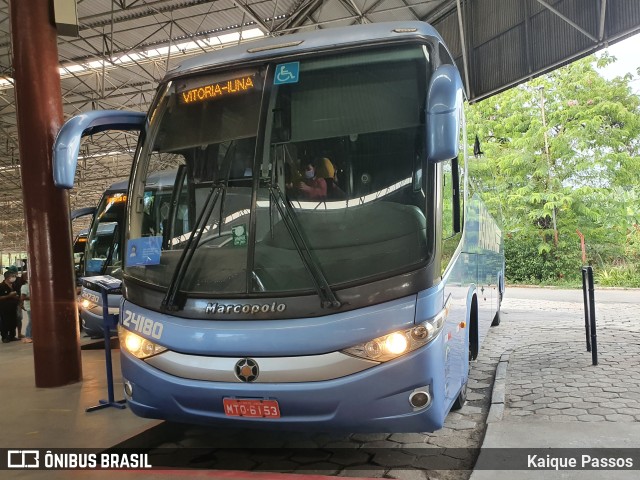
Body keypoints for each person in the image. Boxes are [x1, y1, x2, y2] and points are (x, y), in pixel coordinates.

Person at [0, 270, 20, 343]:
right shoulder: (1, 286)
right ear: (7, 277)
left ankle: (12, 336)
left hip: (13, 306)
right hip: (4, 307)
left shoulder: (14, 285)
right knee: (5, 322)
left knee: (13, 321)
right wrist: (9, 296)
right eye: (13, 276)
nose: (14, 278)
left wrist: (16, 297)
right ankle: (4, 337)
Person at [20, 271, 32, 343]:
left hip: (33, 306)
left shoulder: (30, 285)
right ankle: (28, 336)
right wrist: (33, 297)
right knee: (31, 322)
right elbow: (22, 297)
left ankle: (31, 336)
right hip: (29, 307)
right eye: (27, 276)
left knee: (33, 322)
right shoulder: (24, 286)